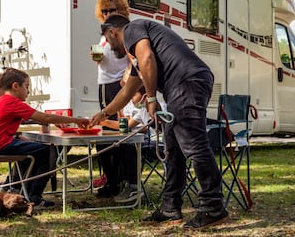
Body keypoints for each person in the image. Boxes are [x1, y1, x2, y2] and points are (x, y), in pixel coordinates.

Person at [90, 15, 229, 229]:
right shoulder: (137, 54)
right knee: (173, 149)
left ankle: (212, 206)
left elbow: (147, 58)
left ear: (112, 32)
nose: (110, 46)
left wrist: (152, 98)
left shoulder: (133, 29)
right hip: (183, 85)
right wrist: (104, 113)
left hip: (186, 82)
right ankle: (170, 206)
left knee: (194, 145)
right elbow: (127, 91)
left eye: (108, 41)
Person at [0, 68, 89, 208]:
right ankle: (34, 196)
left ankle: (18, 188)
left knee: (34, 150)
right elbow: (45, 117)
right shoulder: (12, 102)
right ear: (15, 86)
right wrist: (77, 120)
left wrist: (50, 120)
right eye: (27, 86)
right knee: (49, 151)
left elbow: (36, 118)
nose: (29, 91)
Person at [91, 0, 130, 196]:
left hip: (120, 85)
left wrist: (128, 76)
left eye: (111, 10)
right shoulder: (104, 33)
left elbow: (131, 58)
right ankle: (111, 180)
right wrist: (95, 57)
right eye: (104, 11)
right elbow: (104, 60)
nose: (107, 14)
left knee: (121, 133)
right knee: (105, 134)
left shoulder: (125, 30)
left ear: (121, 10)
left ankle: (125, 180)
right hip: (104, 84)